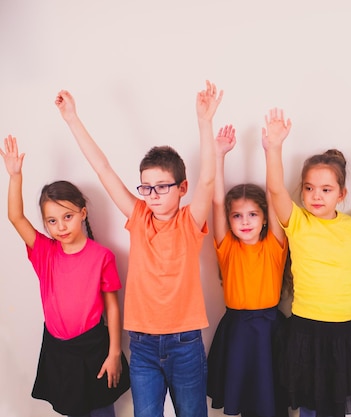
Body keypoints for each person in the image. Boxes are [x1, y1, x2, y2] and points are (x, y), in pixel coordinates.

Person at [55, 81, 222, 417]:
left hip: (184, 343)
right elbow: (103, 169)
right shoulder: (138, 215)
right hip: (143, 345)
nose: (153, 194)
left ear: (181, 188)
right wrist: (72, 119)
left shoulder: (190, 221)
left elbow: (207, 181)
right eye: (147, 186)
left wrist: (204, 123)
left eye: (162, 186)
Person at [0, 135, 130, 417]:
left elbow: (112, 306)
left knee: (102, 411)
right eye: (52, 221)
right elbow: (15, 217)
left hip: (95, 348)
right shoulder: (44, 252)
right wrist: (15, 176)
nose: (60, 226)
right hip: (59, 351)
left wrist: (115, 353)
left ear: (82, 213)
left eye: (67, 216)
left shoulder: (102, 256)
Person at [262, 108, 351, 417]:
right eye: (309, 188)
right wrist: (274, 148)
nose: (315, 196)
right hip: (306, 330)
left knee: (335, 407)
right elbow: (275, 190)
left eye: (326, 190)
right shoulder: (298, 222)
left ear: (341, 194)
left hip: (344, 330)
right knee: (310, 407)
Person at [205, 124, 289, 417]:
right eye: (237, 216)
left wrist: (271, 150)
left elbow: (274, 194)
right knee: (245, 398)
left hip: (270, 329)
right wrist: (218, 156)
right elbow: (217, 202)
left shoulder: (275, 246)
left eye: (253, 214)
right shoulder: (227, 247)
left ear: (265, 218)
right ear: (229, 221)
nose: (245, 221)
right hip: (238, 330)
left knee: (272, 397)